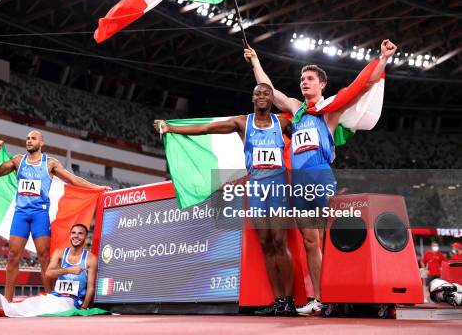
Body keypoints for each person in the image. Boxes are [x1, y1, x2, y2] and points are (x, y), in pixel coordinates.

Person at [246, 39, 397, 315]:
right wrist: (255, 60)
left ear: (322, 85)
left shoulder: (330, 111)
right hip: (300, 180)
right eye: (303, 78)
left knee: (331, 240)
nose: (304, 82)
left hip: (320, 175)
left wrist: (383, 59)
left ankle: (342, 294)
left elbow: (361, 86)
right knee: (310, 241)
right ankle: (321, 297)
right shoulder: (296, 109)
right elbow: (269, 89)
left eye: (311, 79)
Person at [154, 83, 297, 316]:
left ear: (272, 99)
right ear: (253, 98)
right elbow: (205, 129)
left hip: (278, 187)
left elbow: (303, 147)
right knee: (266, 245)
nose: (262, 96)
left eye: (266, 94)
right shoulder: (242, 122)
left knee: (280, 242)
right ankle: (278, 300)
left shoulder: (283, 124)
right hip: (257, 187)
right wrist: (170, 127)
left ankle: (289, 301)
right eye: (258, 93)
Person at [0, 130, 107, 302]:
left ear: (41, 143)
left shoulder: (50, 163)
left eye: (33, 138)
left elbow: (73, 180)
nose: (29, 141)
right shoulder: (18, 160)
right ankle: (7, 302)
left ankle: (51, 298)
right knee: (13, 256)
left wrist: (98, 188)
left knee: (44, 257)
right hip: (21, 214)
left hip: (40, 215)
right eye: (27, 138)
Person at [0, 224, 97, 317]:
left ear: (86, 237)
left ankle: (7, 308)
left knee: (53, 308)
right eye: (73, 233)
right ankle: (5, 306)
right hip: (55, 296)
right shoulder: (60, 253)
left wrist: (83, 308)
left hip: (73, 300)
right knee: (35, 302)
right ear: (70, 235)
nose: (76, 236)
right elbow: (49, 273)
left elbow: (91, 287)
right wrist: (69, 270)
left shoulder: (90, 259)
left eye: (80, 233)